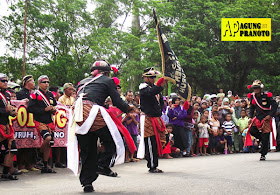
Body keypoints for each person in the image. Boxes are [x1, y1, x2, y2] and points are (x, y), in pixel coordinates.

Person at [69, 60, 135, 192]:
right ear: (106, 73)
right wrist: (128, 108)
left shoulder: (83, 81)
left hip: (77, 114)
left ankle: (87, 182)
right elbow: (116, 100)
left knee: (88, 149)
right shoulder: (107, 80)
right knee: (115, 139)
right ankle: (103, 164)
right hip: (90, 111)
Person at [137, 67, 166, 173]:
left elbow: (160, 102)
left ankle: (154, 161)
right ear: (145, 77)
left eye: (154, 77)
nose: (153, 79)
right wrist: (161, 84)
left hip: (156, 117)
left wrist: (160, 111)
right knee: (150, 142)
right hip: (148, 118)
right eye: (151, 77)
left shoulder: (155, 88)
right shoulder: (143, 87)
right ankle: (152, 165)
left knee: (162, 138)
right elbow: (151, 92)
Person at [27, 75, 57, 174]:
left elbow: (54, 105)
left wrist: (53, 110)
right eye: (44, 82)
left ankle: (45, 165)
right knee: (47, 138)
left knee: (49, 143)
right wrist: (44, 110)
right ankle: (39, 155)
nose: (46, 84)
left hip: (49, 121)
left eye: (48, 82)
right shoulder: (35, 95)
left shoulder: (50, 95)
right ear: (39, 83)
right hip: (40, 121)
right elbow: (30, 109)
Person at [246, 80, 278, 160]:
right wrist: (250, 117)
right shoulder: (253, 97)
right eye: (254, 88)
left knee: (266, 136)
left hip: (266, 118)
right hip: (257, 117)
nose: (255, 90)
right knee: (252, 130)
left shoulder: (267, 96)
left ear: (260, 88)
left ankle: (263, 154)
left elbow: (274, 105)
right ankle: (261, 139)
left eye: (257, 88)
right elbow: (252, 107)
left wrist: (270, 115)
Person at [16, 75, 39, 173]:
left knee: (31, 143)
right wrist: (22, 101)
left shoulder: (34, 93)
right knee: (22, 143)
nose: (34, 83)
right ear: (27, 83)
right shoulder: (20, 93)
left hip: (32, 121)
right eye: (32, 81)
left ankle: (30, 164)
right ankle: (21, 164)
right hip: (22, 122)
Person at [0, 73, 18, 180]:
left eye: (6, 81)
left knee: (13, 149)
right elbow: (4, 109)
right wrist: (4, 111)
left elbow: (8, 108)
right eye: (3, 81)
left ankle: (6, 172)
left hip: (6, 125)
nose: (6, 82)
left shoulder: (7, 94)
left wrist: (11, 112)